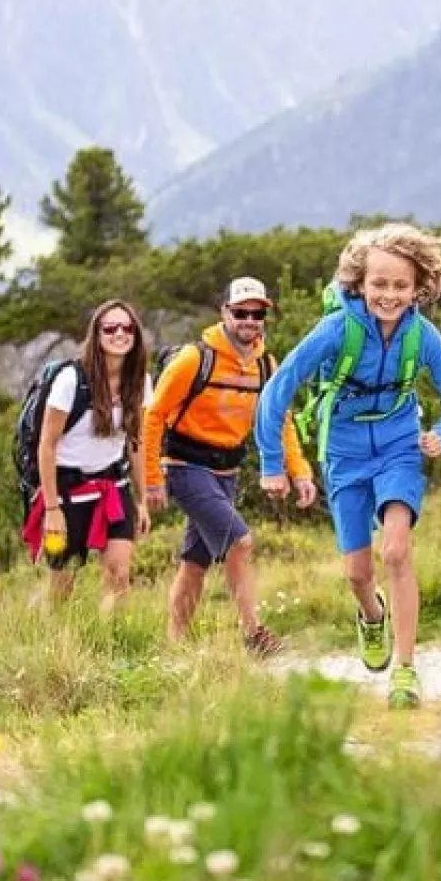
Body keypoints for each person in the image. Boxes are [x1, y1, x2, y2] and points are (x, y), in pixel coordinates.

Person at [255, 223, 441, 709]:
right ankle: (372, 616)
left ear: (419, 287)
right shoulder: (338, 329)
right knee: (358, 573)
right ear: (360, 282)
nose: (389, 294)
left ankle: (405, 670)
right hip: (346, 453)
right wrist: (273, 461)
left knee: (396, 551)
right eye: (379, 283)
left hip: (398, 446)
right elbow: (279, 387)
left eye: (400, 285)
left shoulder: (424, 336)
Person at [142, 277, 318, 657]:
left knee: (195, 563)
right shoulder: (194, 359)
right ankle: (255, 634)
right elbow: (153, 415)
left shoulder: (266, 366)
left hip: (227, 473)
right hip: (186, 467)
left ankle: (174, 647)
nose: (249, 320)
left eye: (257, 314)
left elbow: (279, 421)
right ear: (224, 313)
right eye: (241, 312)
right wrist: (153, 478)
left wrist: (299, 470)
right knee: (240, 542)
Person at [22, 299, 153, 610]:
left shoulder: (141, 382)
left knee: (119, 574)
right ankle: (54, 642)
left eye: (127, 327)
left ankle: (114, 645)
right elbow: (47, 445)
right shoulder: (71, 380)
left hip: (112, 487)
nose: (119, 334)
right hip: (65, 493)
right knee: (63, 581)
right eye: (110, 328)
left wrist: (142, 499)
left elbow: (136, 443)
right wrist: (52, 509)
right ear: (97, 334)